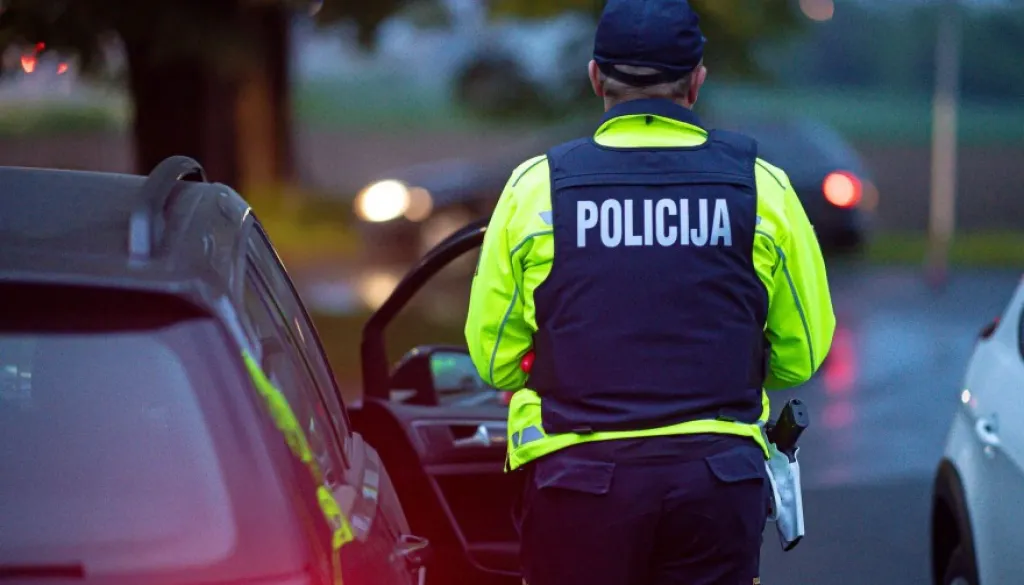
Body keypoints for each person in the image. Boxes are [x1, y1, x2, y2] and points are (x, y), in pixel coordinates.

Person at [464, 0, 835, 583]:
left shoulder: (537, 189)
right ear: (696, 81)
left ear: (595, 78)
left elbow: (494, 361)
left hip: (578, 484)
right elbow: (803, 354)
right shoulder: (763, 188)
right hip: (717, 484)